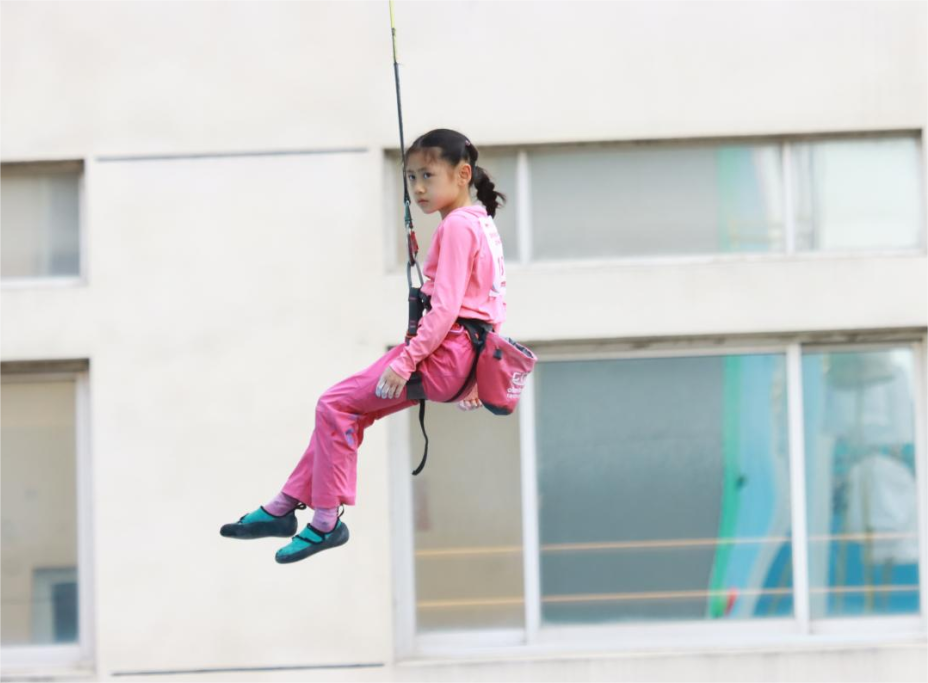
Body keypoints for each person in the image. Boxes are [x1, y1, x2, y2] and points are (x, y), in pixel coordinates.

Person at [220, 128, 508, 563]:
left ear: (462, 174)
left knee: (334, 404)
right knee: (346, 415)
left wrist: (407, 361)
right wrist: (476, 376)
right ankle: (282, 506)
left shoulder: (456, 227)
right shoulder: (482, 223)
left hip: (441, 355)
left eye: (428, 176)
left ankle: (324, 522)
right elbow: (494, 302)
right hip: (462, 360)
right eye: (411, 177)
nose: (418, 188)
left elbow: (446, 308)